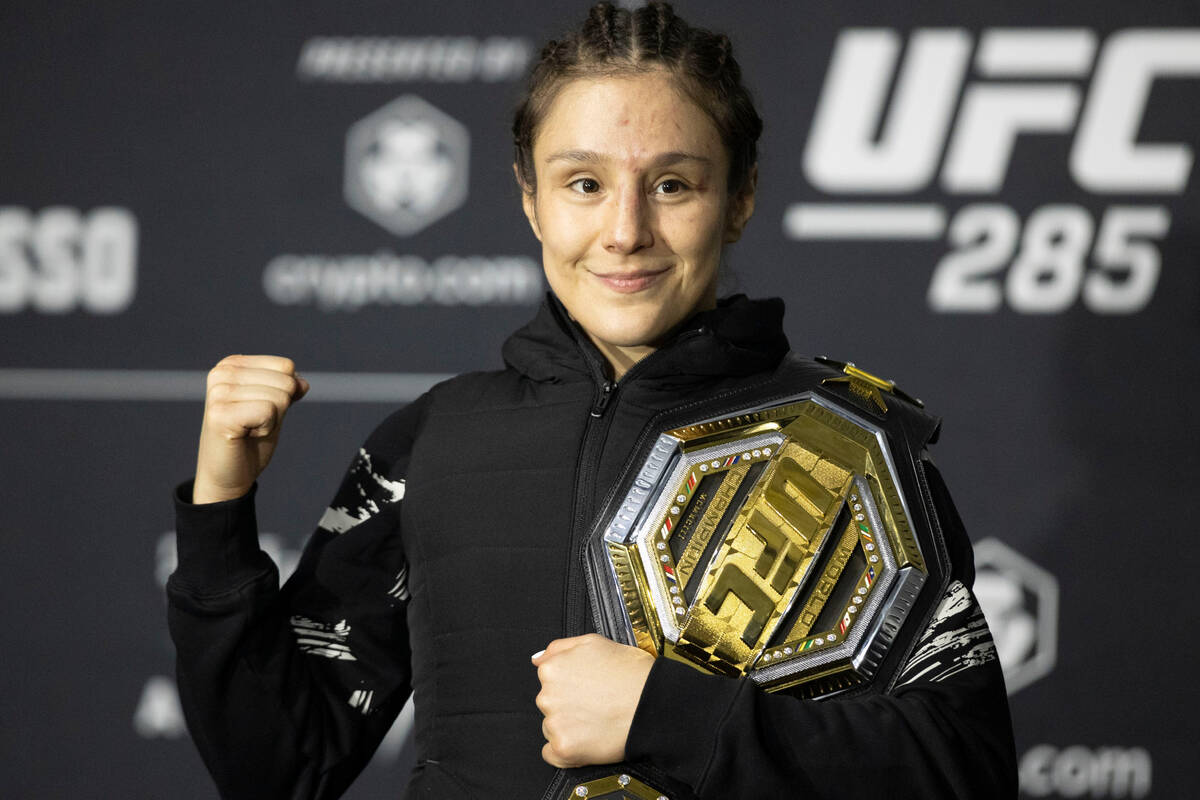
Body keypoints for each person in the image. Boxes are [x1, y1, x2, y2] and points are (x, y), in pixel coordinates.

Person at [167, 3, 1018, 798]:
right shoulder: (429, 442)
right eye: (583, 184)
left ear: (741, 198)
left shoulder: (850, 444)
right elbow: (280, 766)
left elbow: (966, 768)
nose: (624, 231)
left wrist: (669, 717)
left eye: (673, 185)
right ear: (530, 199)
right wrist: (219, 509)